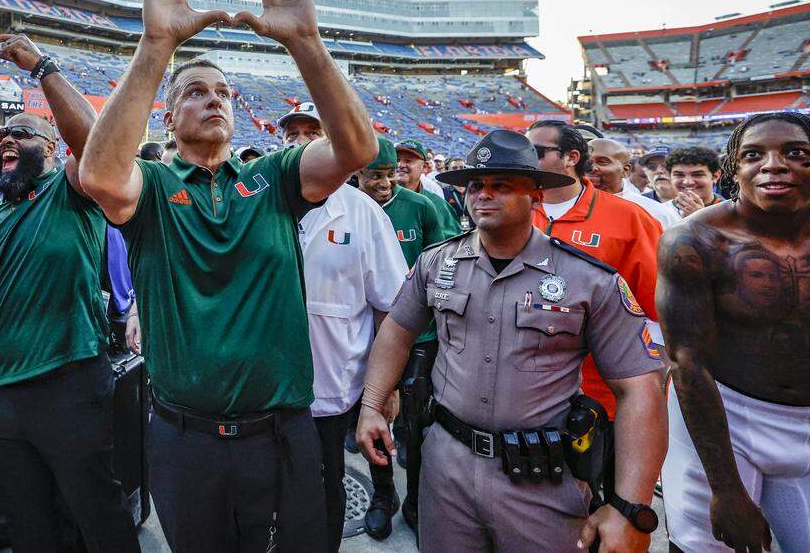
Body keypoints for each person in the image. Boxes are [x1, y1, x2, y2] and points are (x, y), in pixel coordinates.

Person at [79, 0, 377, 552]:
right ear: (168, 111)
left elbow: (355, 149)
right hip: (184, 439)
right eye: (195, 92)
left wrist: (306, 42)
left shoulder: (273, 177)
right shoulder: (154, 185)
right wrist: (157, 45)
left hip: (281, 432)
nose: (214, 99)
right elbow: (100, 177)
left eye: (224, 93)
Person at [356, 129, 667, 553]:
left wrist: (631, 506)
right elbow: (397, 329)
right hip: (447, 468)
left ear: (536, 196)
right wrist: (373, 405)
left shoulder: (587, 279)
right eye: (476, 186)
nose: (484, 195)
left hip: (540, 477)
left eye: (501, 185)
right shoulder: (437, 262)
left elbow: (640, 387)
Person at [0, 34, 139, 552]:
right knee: (26, 524)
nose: (6, 140)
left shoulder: (70, 191)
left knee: (97, 514)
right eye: (1, 134)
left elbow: (100, 146)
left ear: (50, 150)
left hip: (69, 381)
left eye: (22, 135)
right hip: (1, 395)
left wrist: (42, 67)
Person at [658, 111, 810, 553]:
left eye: (795, 153)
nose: (774, 165)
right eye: (753, 155)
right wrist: (725, 489)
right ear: (733, 170)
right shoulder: (696, 241)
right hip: (726, 413)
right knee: (710, 547)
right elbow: (688, 362)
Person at [279, 104, 406, 551]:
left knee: (323, 489)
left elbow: (395, 308)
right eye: (291, 132)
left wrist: (383, 389)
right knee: (268, 494)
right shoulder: (254, 199)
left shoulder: (363, 213)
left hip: (331, 390)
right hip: (260, 388)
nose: (299, 140)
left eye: (312, 131)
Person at [526, 120, 664, 418]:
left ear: (571, 157)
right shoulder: (513, 211)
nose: (526, 158)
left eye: (535, 151)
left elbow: (656, 304)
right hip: (524, 390)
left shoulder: (629, 218)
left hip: (602, 393)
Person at [354, 136, 449, 539]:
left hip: (418, 333)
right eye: (376, 175)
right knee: (373, 415)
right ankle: (382, 493)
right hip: (365, 332)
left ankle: (414, 499)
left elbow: (446, 261)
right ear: (357, 174)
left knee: (416, 420)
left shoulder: (421, 207)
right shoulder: (344, 208)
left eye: (390, 174)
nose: (385, 183)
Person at [588, 137, 680, 229]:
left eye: (602, 162)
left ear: (626, 170)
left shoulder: (654, 212)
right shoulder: (574, 202)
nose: (591, 168)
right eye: (586, 162)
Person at [395, 138, 461, 233]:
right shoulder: (380, 198)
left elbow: (452, 242)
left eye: (408, 161)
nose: (400, 165)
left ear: (424, 167)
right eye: (397, 160)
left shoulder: (437, 203)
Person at [666, 146, 724, 219]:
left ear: (715, 176)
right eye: (679, 175)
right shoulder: (658, 213)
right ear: (670, 177)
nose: (688, 182)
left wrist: (700, 219)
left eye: (697, 175)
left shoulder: (734, 212)